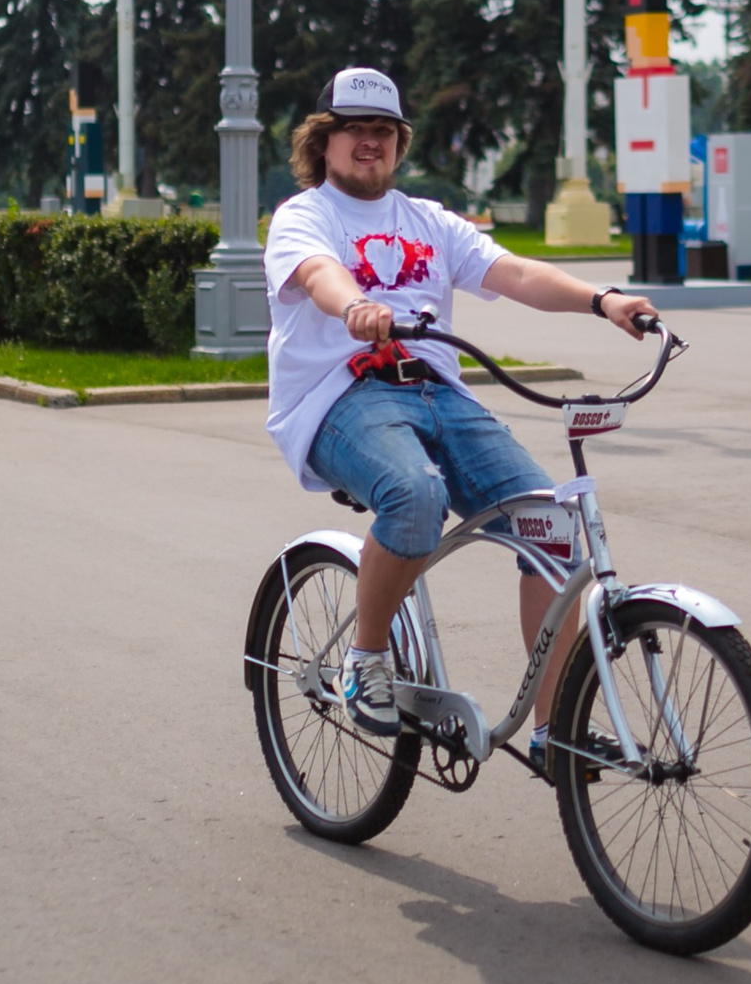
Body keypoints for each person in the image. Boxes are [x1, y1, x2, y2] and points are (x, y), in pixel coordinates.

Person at [263, 67, 656, 773]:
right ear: (323, 141)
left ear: (398, 142)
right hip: (342, 397)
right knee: (416, 494)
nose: (369, 142)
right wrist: (355, 306)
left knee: (556, 527)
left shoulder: (429, 221)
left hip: (439, 393)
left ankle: (551, 731)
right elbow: (322, 274)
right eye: (353, 128)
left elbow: (515, 273)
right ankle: (367, 657)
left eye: (382, 130)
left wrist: (604, 299)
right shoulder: (304, 215)